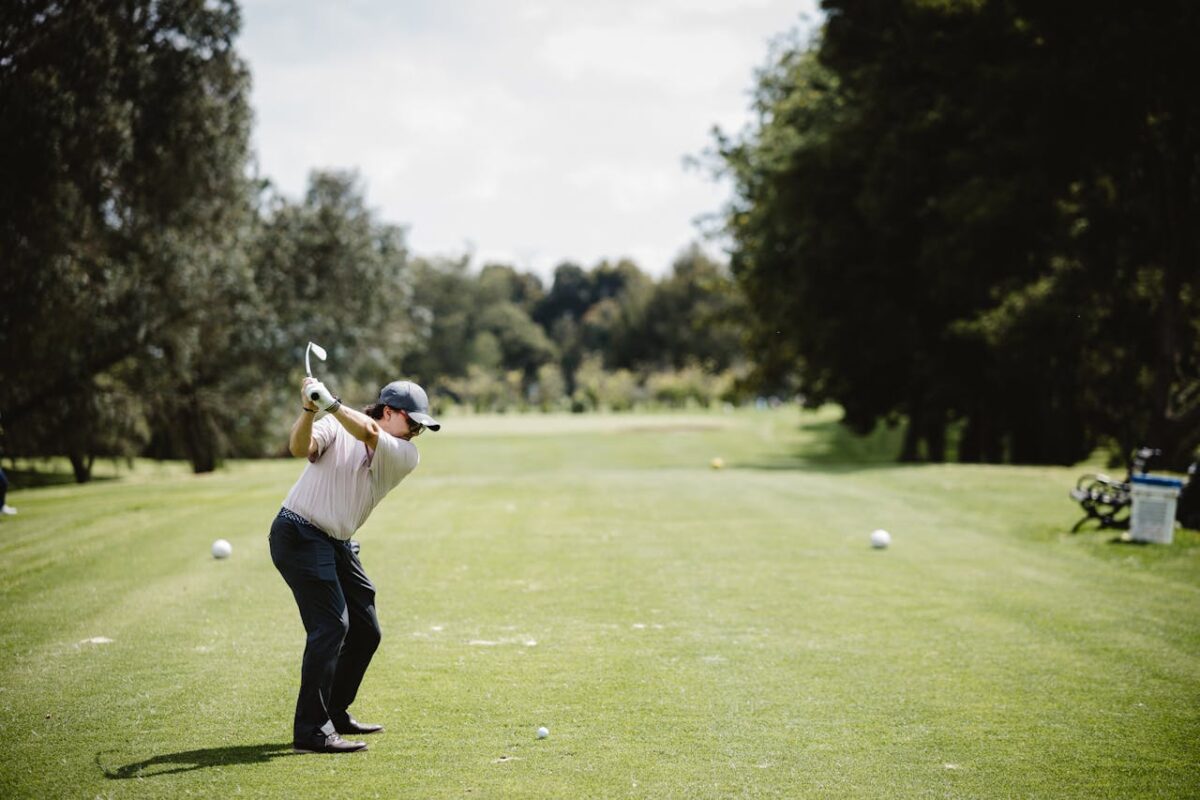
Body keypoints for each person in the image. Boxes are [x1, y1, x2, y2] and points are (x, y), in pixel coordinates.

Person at [270, 376, 440, 754]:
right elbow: (301, 447)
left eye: (420, 426)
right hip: (298, 532)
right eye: (412, 422)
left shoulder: (404, 453)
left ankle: (333, 711)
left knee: (366, 630)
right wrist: (310, 411)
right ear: (389, 412)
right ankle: (311, 730)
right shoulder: (334, 423)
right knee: (331, 625)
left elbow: (366, 430)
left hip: (335, 540)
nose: (416, 432)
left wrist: (328, 402)